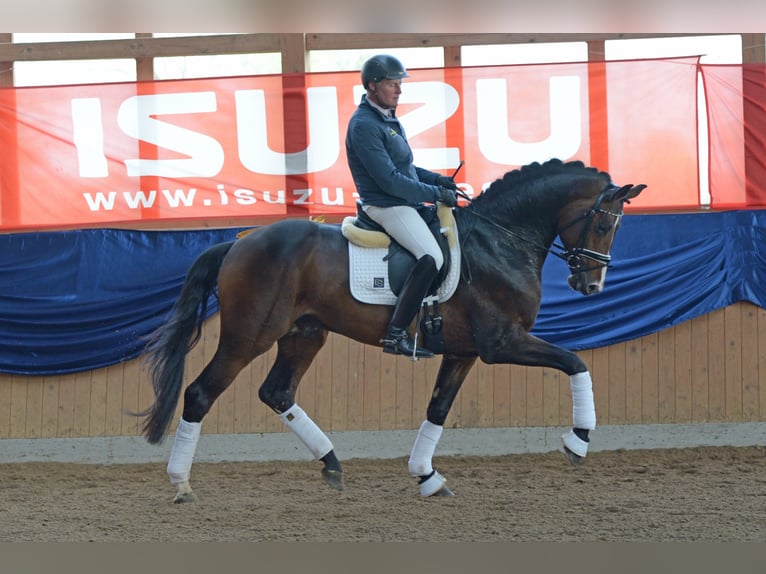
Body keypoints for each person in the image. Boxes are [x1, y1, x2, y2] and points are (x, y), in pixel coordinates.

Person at [345, 54, 459, 359]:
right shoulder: (364, 125)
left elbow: (405, 167)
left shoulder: (387, 118)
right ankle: (396, 334)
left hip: (402, 200)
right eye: (393, 84)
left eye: (399, 84)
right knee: (431, 256)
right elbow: (390, 181)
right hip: (386, 205)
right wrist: (434, 193)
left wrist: (438, 180)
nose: (399, 90)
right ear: (372, 85)